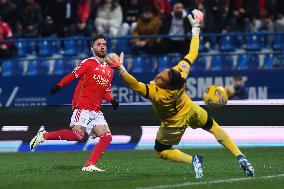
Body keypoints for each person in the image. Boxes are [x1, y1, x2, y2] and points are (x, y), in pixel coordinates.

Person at [106, 10, 255, 178]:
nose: (160, 74)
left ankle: (193, 160)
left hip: (173, 124)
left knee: (160, 150)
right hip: (190, 109)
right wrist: (196, 28)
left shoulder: (157, 93)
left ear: (166, 84)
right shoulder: (179, 73)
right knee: (214, 127)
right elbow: (193, 53)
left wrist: (121, 70)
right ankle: (240, 156)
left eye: (161, 77)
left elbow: (134, 85)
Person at [29, 34, 119, 172]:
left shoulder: (109, 71)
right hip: (82, 105)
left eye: (104, 44)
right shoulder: (88, 63)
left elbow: (105, 91)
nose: (102, 46)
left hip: (96, 109)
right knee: (77, 135)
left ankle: (89, 165)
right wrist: (59, 85)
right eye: (99, 44)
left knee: (107, 137)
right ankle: (44, 135)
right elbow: (73, 75)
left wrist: (112, 100)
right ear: (92, 47)